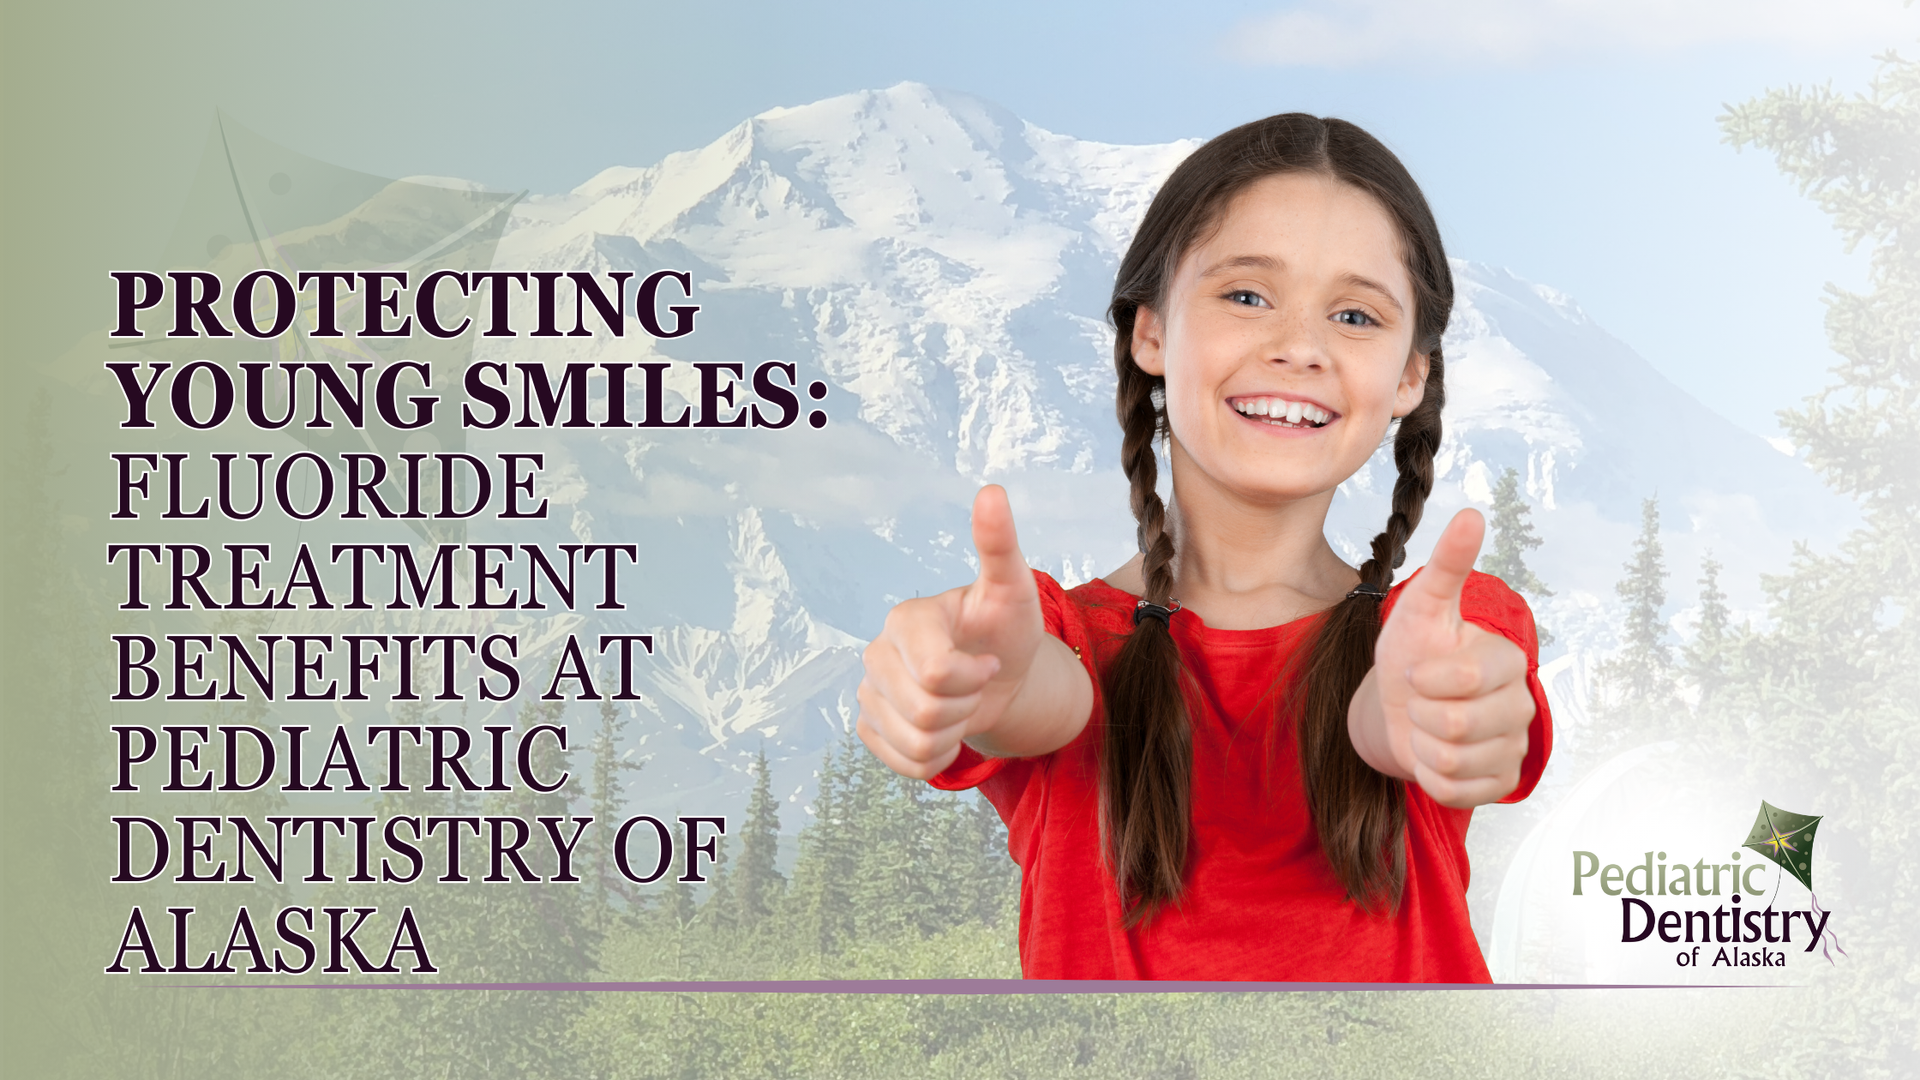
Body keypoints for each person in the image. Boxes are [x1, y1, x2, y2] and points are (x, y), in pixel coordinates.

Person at [854, 114, 1552, 982]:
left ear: (1411, 375)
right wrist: (976, 678)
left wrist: (1438, 712)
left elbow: (1404, 719)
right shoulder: (1051, 635)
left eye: (1354, 315)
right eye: (1247, 295)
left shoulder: (1442, 630)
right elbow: (1041, 692)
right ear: (1150, 331)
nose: (1299, 348)